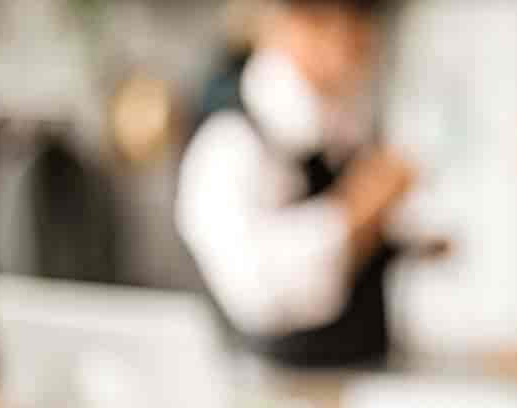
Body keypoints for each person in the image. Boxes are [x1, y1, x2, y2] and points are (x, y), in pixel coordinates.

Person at [178, 0, 416, 368]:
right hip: (274, 386)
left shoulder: (345, 126)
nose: (351, 42)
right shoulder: (231, 141)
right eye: (326, 23)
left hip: (364, 373)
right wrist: (361, 208)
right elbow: (258, 293)